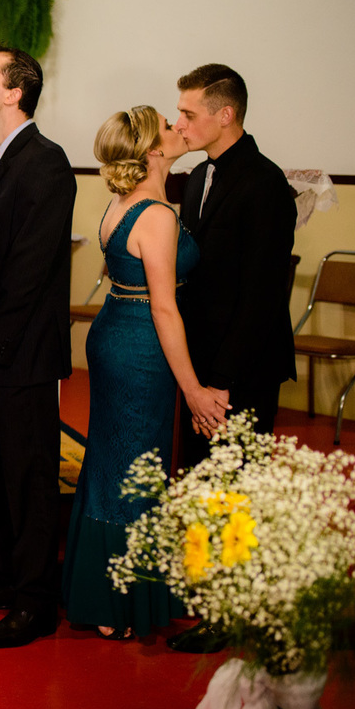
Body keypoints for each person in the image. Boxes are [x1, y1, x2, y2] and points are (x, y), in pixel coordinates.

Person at [62, 106, 229, 641]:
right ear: (151, 151)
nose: (179, 128)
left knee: (116, 461)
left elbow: (115, 272)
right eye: (167, 125)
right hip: (140, 345)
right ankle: (115, 598)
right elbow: (164, 309)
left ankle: (107, 590)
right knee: (135, 465)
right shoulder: (155, 214)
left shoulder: (123, 203)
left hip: (115, 331)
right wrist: (194, 389)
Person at [167, 64, 297, 654]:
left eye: (189, 113)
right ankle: (200, 594)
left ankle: (231, 610)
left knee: (236, 489)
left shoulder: (267, 184)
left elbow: (263, 296)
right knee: (199, 481)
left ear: (227, 114)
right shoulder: (195, 180)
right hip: (200, 366)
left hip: (240, 368)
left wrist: (220, 380)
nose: (180, 123)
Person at [0, 43, 76, 649]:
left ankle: (37, 601)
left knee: (30, 476)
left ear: (14, 92)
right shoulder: (0, 160)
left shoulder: (47, 163)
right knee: (2, 472)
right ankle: (9, 577)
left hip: (23, 353)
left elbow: (28, 273)